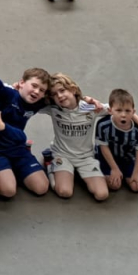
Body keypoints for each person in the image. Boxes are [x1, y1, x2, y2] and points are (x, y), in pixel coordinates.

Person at [37, 74, 109, 202]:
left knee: (102, 194)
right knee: (65, 192)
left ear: (73, 90)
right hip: (62, 155)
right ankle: (50, 164)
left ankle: (76, 173)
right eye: (54, 94)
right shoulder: (53, 108)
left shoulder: (89, 107)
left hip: (86, 157)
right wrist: (16, 87)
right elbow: (27, 101)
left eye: (62, 90)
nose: (59, 96)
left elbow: (116, 108)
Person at [97, 88, 138, 194]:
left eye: (127, 111)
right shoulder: (103, 125)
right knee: (114, 185)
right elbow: (103, 147)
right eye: (119, 110)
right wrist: (114, 169)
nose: (123, 114)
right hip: (109, 159)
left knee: (137, 187)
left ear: (133, 112)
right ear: (110, 111)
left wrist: (136, 172)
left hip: (129, 159)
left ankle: (127, 174)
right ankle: (113, 173)